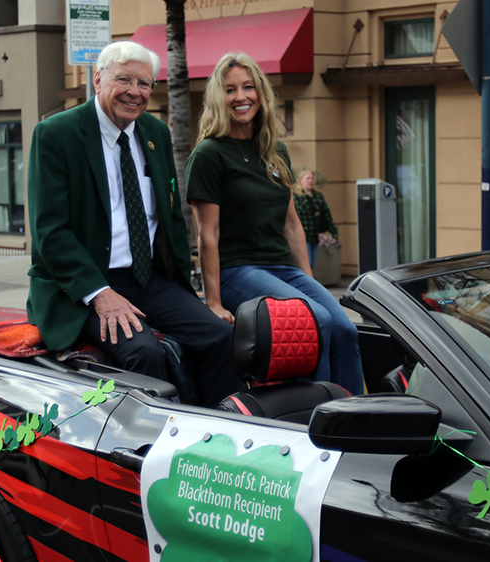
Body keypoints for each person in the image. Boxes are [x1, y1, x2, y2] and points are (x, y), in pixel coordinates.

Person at [25, 41, 243, 406]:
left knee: (221, 336)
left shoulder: (156, 133)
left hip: (148, 279)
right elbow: (50, 231)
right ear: (98, 80)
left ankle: (218, 426)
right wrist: (100, 294)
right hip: (85, 287)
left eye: (144, 83)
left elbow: (170, 219)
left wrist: (189, 292)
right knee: (144, 352)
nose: (135, 91)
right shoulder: (56, 134)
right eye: (124, 79)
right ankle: (153, 438)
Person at [185, 52, 365, 395]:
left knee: (345, 329)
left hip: (283, 268)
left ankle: (356, 416)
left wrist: (309, 282)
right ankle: (318, 415)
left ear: (260, 93)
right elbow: (208, 233)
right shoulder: (209, 154)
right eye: (230, 89)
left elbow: (292, 225)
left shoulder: (274, 150)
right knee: (315, 323)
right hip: (238, 269)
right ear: (219, 98)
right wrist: (213, 301)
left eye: (248, 87)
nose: (241, 97)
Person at [293, 169, 339, 268]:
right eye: (307, 178)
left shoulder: (318, 197)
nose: (310, 181)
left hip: (314, 235)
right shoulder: (296, 196)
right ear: (301, 181)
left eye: (312, 178)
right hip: (302, 236)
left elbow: (327, 215)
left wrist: (334, 232)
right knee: (307, 263)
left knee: (312, 264)